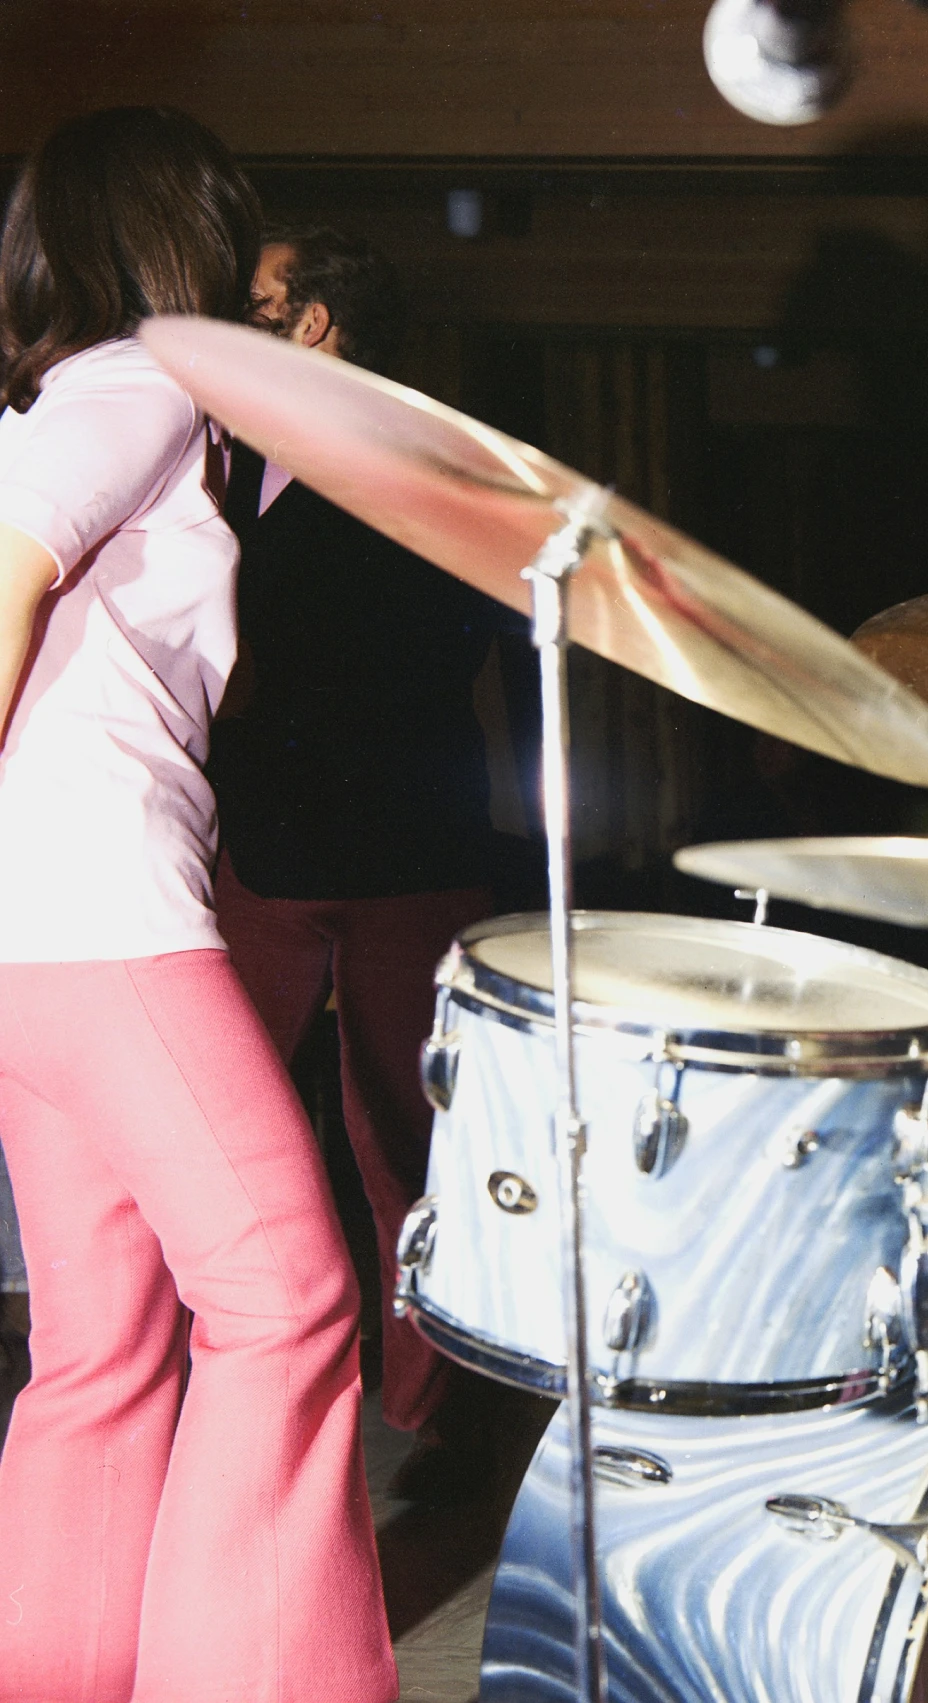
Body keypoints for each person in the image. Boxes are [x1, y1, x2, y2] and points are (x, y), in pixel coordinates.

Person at [0, 109, 396, 1702]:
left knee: (101, 1346)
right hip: (101, 914)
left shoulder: (141, 400)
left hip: (38, 940)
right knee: (288, 1298)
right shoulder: (137, 379)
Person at [210, 223, 521, 1501]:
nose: (234, 313)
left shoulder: (421, 452)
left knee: (410, 1139)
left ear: (317, 323)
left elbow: (474, 634)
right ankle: (215, 1381)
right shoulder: (222, 456)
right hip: (264, 852)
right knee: (226, 1120)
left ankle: (444, 1426)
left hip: (405, 852)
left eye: (259, 299)